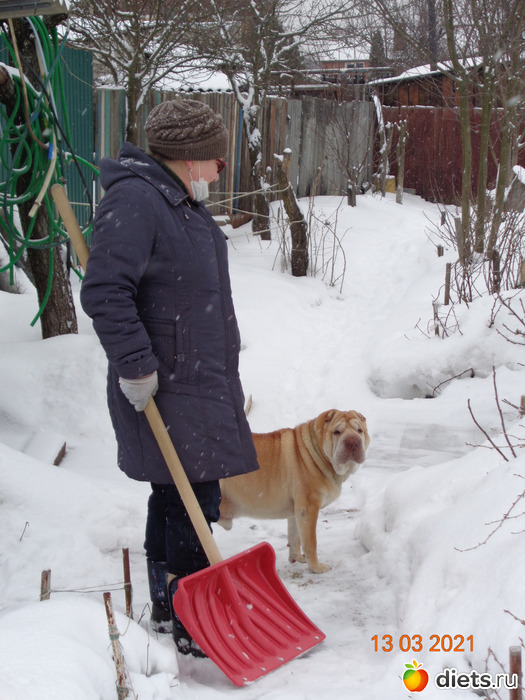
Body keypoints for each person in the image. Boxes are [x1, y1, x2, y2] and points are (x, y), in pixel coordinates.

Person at [80, 98, 259, 657]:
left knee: (174, 493)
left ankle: (168, 608)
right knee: (192, 498)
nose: (220, 170)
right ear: (189, 156)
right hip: (168, 385)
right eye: (216, 159)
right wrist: (136, 366)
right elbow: (105, 290)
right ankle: (193, 623)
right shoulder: (138, 200)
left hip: (193, 381)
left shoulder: (175, 202)